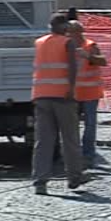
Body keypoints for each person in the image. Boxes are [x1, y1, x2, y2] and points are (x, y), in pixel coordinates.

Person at [31, 14, 90, 195]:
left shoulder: (39, 42)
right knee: (70, 139)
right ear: (64, 27)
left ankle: (40, 181)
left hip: (41, 95)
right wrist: (71, 89)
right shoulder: (67, 43)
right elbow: (72, 67)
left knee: (43, 141)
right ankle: (74, 177)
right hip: (62, 96)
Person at [68, 20, 107, 167]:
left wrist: (88, 56)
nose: (69, 35)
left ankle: (88, 152)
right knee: (71, 124)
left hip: (90, 92)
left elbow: (103, 61)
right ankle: (74, 151)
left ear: (79, 32)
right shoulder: (66, 46)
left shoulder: (90, 46)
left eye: (71, 32)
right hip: (73, 93)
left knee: (90, 124)